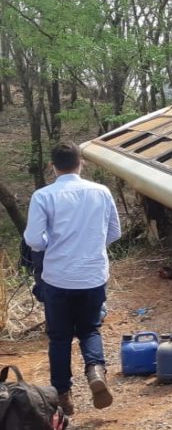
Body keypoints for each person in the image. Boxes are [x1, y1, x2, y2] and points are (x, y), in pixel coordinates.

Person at [23, 142, 121, 416]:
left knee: (59, 337)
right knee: (90, 329)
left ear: (52, 166)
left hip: (58, 277)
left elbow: (34, 240)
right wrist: (90, 246)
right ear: (81, 163)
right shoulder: (101, 192)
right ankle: (95, 371)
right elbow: (114, 232)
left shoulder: (43, 196)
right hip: (92, 275)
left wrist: (52, 243)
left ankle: (63, 396)